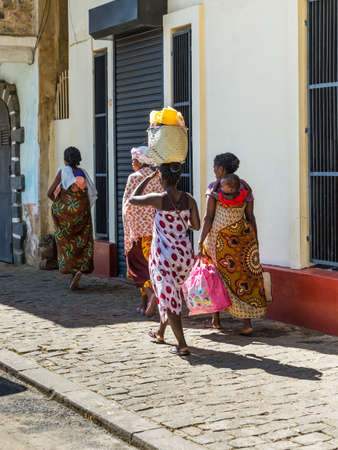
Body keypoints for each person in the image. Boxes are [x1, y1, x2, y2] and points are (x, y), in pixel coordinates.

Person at [129, 163, 200, 356]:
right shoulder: (189, 199)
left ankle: (182, 344)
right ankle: (160, 332)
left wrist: (146, 179)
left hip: (164, 258)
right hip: (184, 257)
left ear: (162, 179)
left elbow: (132, 199)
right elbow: (196, 225)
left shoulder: (159, 199)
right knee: (168, 292)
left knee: (169, 298)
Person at [198, 153, 266, 334]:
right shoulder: (245, 188)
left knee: (214, 276)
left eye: (214, 167)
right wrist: (255, 240)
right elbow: (250, 216)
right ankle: (247, 324)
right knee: (242, 277)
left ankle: (216, 320)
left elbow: (208, 217)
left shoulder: (214, 187)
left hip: (217, 239)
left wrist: (200, 241)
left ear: (221, 169)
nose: (213, 170)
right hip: (242, 238)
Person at [47, 147, 97, 290]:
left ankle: (72, 271)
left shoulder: (63, 173)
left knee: (67, 242)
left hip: (65, 217)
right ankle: (80, 269)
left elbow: (50, 193)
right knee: (82, 241)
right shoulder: (83, 173)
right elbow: (88, 195)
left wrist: (59, 205)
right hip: (82, 215)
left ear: (65, 160)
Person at [122, 146, 163, 316]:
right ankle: (144, 303)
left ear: (139, 162)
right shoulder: (158, 177)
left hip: (137, 232)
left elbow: (127, 204)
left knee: (139, 268)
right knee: (152, 264)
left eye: (133, 161)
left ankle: (151, 295)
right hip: (155, 230)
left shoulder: (134, 177)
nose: (132, 164)